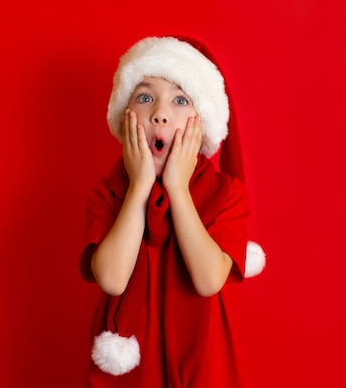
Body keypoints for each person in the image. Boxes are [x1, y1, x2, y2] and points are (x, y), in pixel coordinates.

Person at [80, 36, 265, 387]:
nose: (160, 113)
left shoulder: (226, 194)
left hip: (203, 360)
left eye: (181, 99)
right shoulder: (107, 193)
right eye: (146, 97)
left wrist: (178, 190)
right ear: (125, 116)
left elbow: (209, 280)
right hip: (133, 371)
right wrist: (138, 188)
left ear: (202, 122)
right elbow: (112, 278)